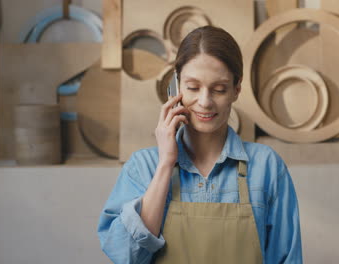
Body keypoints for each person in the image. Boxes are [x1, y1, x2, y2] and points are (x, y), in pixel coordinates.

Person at [97, 26, 302, 264]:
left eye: (219, 89)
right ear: (175, 86)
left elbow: (287, 258)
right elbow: (125, 256)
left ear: (237, 89)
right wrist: (165, 164)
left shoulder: (266, 166)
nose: (205, 102)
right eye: (193, 87)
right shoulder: (143, 167)